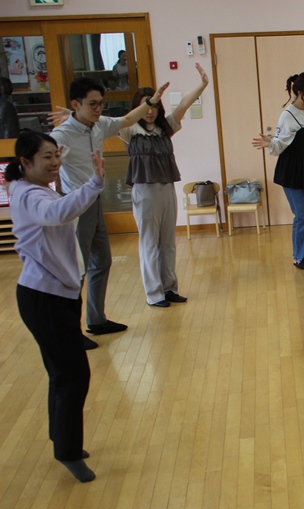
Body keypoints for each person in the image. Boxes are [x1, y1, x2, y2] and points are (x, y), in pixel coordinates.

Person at [6, 131, 105, 482]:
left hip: (54, 295)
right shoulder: (30, 195)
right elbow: (57, 213)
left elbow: (59, 208)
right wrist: (94, 184)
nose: (54, 163)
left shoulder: (33, 188)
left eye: (55, 155)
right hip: (43, 298)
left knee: (62, 372)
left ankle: (62, 438)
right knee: (74, 374)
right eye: (46, 157)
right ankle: (67, 451)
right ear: (25, 162)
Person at [49, 77, 169, 344]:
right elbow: (45, 162)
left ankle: (96, 320)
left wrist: (151, 101)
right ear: (75, 104)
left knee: (101, 261)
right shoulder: (62, 135)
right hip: (75, 208)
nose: (98, 109)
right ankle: (70, 332)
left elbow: (127, 119)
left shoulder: (98, 125)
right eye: (92, 104)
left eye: (101, 103)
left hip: (95, 203)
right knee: (77, 269)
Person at [119, 64, 209, 307]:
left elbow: (183, 106)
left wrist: (202, 85)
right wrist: (149, 100)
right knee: (149, 243)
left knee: (167, 242)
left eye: (155, 106)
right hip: (144, 190)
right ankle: (154, 293)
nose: (150, 110)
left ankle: (169, 288)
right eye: (146, 106)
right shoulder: (129, 129)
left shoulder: (164, 129)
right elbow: (120, 120)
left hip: (166, 189)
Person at [252, 72, 304, 270]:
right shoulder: (287, 116)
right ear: (300, 93)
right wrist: (269, 143)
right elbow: (279, 145)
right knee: (303, 215)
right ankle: (299, 256)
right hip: (292, 171)